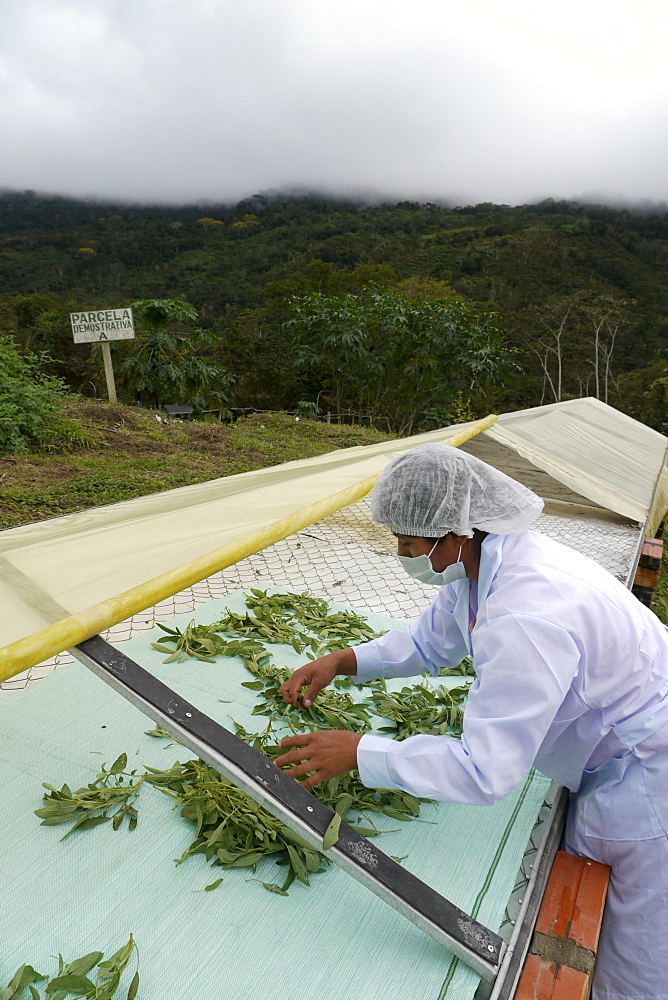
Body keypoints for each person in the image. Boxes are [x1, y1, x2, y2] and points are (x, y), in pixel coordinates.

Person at [275, 442, 668, 1000]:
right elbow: (429, 640)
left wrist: (362, 752)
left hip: (649, 775)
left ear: (453, 533)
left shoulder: (525, 614)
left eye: (408, 544)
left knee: (635, 952)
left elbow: (485, 771)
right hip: (619, 754)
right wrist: (346, 661)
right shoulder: (485, 562)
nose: (401, 554)